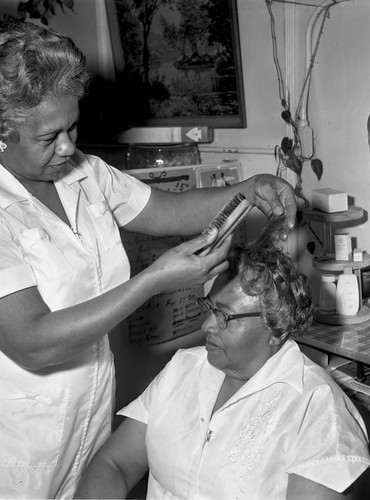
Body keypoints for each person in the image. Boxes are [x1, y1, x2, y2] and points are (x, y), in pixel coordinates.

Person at [0, 21, 297, 499]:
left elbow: (168, 211)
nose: (68, 146)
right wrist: (154, 280)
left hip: (89, 421)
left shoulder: (85, 173)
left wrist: (249, 188)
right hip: (16, 444)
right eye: (49, 136)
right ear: (3, 131)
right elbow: (31, 342)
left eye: (73, 126)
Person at [74, 217, 370, 500]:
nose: (206, 325)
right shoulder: (185, 367)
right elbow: (114, 464)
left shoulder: (317, 410)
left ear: (275, 329)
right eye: (209, 308)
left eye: (224, 316)